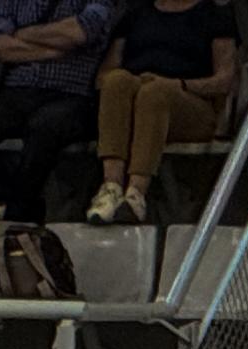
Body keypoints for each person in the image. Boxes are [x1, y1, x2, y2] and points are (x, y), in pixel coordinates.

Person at [0, 0, 115, 223]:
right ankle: (8, 202)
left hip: (73, 93)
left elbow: (81, 31)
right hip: (17, 90)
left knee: (45, 126)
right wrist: (53, 50)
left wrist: (21, 34)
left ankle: (19, 212)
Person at [85, 0, 238, 222]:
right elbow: (105, 73)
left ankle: (136, 193)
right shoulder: (136, 12)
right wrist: (134, 83)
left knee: (155, 92)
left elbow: (225, 80)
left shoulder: (215, 15)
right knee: (116, 81)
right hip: (137, 93)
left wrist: (180, 84)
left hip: (190, 102)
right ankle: (111, 187)